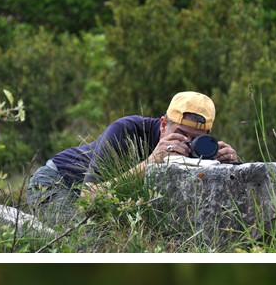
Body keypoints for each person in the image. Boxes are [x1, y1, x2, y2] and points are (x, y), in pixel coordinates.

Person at [26, 91, 239, 214]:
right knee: (89, 239)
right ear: (163, 124)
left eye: (196, 139)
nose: (186, 143)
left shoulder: (199, 151)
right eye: (180, 133)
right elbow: (88, 199)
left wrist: (231, 168)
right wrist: (150, 163)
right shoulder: (127, 129)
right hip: (58, 181)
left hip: (114, 203)